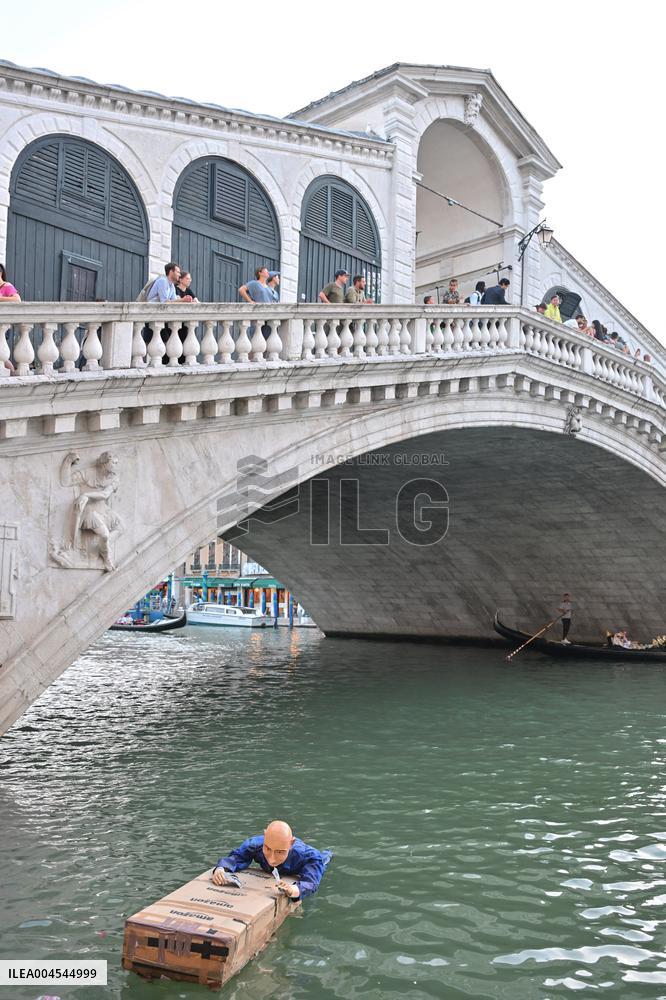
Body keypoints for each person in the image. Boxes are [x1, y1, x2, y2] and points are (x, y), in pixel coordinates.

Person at [211, 820, 331, 901]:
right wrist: (221, 869)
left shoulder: (309, 857)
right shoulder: (254, 845)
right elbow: (237, 857)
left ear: (291, 844)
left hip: (302, 866)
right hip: (275, 871)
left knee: (324, 859)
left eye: (280, 852)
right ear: (265, 837)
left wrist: (293, 890)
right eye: (267, 849)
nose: (272, 859)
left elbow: (311, 882)